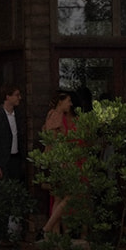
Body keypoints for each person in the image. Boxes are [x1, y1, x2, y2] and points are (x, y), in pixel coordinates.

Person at [39, 90, 75, 236]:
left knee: (58, 197)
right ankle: (47, 228)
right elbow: (53, 140)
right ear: (61, 102)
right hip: (58, 161)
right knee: (70, 194)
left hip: (53, 160)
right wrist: (62, 161)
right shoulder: (56, 116)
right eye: (68, 101)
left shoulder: (51, 114)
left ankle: (53, 235)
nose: (70, 104)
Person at [0, 85, 25, 184]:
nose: (19, 98)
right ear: (8, 97)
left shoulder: (19, 115)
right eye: (16, 95)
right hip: (2, 161)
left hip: (16, 159)